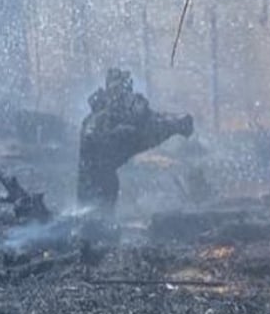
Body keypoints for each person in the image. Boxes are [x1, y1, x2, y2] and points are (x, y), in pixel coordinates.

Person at [76, 68, 193, 218]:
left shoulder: (121, 114)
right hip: (96, 178)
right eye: (117, 89)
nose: (120, 94)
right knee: (97, 209)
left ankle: (98, 220)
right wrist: (174, 125)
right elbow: (138, 133)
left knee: (100, 208)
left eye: (123, 88)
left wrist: (175, 123)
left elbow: (149, 124)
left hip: (99, 177)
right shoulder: (101, 119)